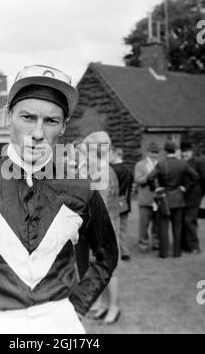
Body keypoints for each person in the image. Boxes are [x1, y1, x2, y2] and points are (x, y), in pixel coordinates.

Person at [0, 64, 119, 334]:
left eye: (51, 121)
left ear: (64, 126)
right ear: (9, 116)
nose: (37, 133)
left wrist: (75, 307)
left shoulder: (82, 190)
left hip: (61, 322)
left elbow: (107, 255)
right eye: (27, 117)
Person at [78, 131, 121, 325]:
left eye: (87, 149)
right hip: (101, 226)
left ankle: (114, 307)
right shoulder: (99, 169)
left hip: (107, 227)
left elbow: (100, 204)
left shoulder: (103, 171)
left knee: (109, 268)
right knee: (102, 266)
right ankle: (103, 304)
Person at [148, 141, 199, 258]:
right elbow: (195, 176)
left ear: (165, 152)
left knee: (163, 227)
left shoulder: (161, 164)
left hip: (165, 198)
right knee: (177, 227)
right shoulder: (182, 164)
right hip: (178, 198)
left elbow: (150, 177)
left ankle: (164, 253)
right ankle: (177, 253)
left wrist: (156, 188)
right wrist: (185, 187)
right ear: (175, 151)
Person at [180, 141, 205, 254]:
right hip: (183, 197)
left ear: (191, 151)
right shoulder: (181, 162)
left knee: (189, 221)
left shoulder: (198, 162)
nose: (184, 154)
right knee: (183, 221)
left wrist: (201, 194)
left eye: (186, 151)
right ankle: (185, 245)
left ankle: (194, 246)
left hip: (194, 197)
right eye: (183, 151)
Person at [134, 142, 160, 252]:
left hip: (158, 200)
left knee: (157, 225)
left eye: (156, 152)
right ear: (148, 152)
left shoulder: (160, 164)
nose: (154, 154)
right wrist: (149, 176)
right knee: (144, 225)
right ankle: (143, 245)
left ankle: (156, 243)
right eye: (152, 152)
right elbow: (138, 180)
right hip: (144, 199)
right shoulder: (140, 165)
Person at [110, 147, 133, 261]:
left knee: (114, 229)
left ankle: (116, 253)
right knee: (123, 228)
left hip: (114, 202)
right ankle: (125, 252)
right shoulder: (128, 169)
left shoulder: (112, 170)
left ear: (115, 154)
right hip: (125, 202)